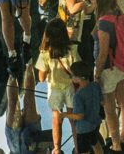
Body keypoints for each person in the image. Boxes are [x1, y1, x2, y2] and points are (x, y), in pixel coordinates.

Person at [93, 0, 124, 153]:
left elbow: (102, 53)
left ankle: (116, 144)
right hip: (121, 65)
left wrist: (97, 73)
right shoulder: (118, 13)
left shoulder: (103, 22)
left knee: (109, 108)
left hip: (108, 68)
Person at [36, 18, 76, 154]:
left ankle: (57, 148)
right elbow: (77, 70)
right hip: (70, 87)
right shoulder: (72, 49)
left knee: (56, 118)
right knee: (72, 119)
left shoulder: (45, 54)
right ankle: (78, 147)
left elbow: (41, 78)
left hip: (54, 89)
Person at [62, 61, 105, 154]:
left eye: (72, 75)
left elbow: (80, 116)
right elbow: (102, 102)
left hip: (83, 129)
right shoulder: (95, 85)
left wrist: (65, 115)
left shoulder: (78, 96)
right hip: (95, 123)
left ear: (79, 78)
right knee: (96, 144)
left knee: (83, 151)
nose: (71, 77)